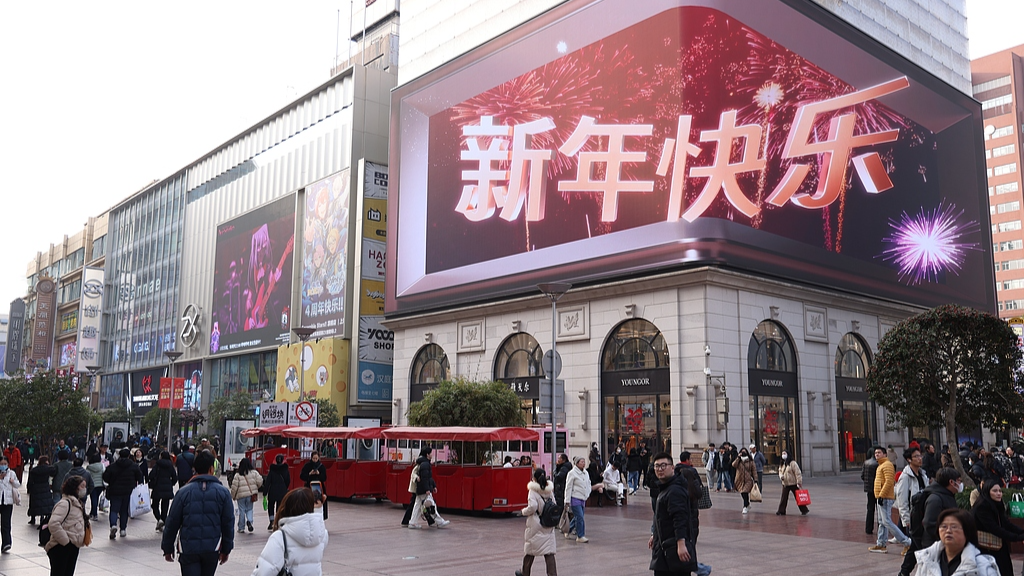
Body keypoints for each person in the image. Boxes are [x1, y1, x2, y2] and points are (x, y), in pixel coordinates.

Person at [162, 451, 235, 576]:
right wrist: (226, 548)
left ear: (194, 468)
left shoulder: (183, 492)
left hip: (188, 548)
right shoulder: (223, 493)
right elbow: (228, 523)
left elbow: (172, 522)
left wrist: (167, 547)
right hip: (212, 548)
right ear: (211, 469)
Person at [251, 488, 328, 576]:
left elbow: (264, 571)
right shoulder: (322, 535)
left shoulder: (280, 537)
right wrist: (319, 509)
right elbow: (313, 523)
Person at [912, 509, 999, 576]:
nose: (948, 531)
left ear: (968, 531)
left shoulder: (982, 566)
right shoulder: (927, 558)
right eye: (944, 526)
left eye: (954, 527)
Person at [648, 452, 694, 575]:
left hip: (672, 551)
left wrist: (681, 543)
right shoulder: (666, 488)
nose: (660, 469)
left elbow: (680, 518)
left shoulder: (674, 490)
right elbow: (662, 518)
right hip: (665, 548)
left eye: (664, 465)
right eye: (657, 466)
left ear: (672, 467)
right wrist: (655, 535)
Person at [971, 480, 1024, 576]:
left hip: (998, 545)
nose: (999, 493)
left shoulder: (997, 504)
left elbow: (1006, 523)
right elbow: (994, 529)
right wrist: (1018, 537)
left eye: (1000, 491)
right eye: (995, 491)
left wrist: (1021, 532)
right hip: (987, 548)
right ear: (987, 491)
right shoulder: (982, 506)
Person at [869, 445, 910, 554]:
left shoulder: (887, 465)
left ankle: (907, 542)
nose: (877, 454)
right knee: (882, 522)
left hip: (885, 498)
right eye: (875, 453)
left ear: (885, 454)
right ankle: (881, 544)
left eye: (879, 453)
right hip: (881, 497)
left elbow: (889, 481)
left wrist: (882, 495)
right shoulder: (881, 465)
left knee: (887, 521)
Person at [516, 468, 557, 576]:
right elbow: (554, 504)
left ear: (534, 478)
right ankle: (552, 574)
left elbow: (533, 507)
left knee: (530, 549)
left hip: (536, 523)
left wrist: (523, 512)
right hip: (548, 522)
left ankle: (525, 572)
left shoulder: (533, 490)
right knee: (549, 551)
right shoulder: (549, 490)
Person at [45, 476, 89, 576]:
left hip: (73, 545)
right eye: (82, 486)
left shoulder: (77, 503)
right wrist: (66, 541)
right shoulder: (65, 503)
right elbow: (53, 523)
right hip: (61, 546)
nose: (84, 489)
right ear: (74, 487)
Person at [896, 446, 929, 574]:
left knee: (915, 547)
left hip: (923, 516)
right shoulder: (905, 477)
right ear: (909, 459)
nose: (920, 459)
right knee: (920, 547)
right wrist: (906, 520)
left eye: (920, 456)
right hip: (913, 518)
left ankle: (904, 572)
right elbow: (902, 501)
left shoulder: (922, 474)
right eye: (916, 456)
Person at [917, 467, 963, 552]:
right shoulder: (935, 499)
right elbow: (929, 523)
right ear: (951, 482)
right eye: (959, 481)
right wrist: (944, 537)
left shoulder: (948, 495)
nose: (961, 484)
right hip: (933, 546)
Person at [101, 448, 144, 539]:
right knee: (124, 510)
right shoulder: (134, 466)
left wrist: (111, 482)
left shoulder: (113, 466)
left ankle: (113, 525)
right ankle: (123, 529)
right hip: (128, 491)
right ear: (129, 456)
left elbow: (105, 477)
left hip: (115, 491)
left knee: (114, 510)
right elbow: (139, 476)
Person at [408, 447, 450, 529]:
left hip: (420, 489)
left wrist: (433, 486)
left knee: (417, 506)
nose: (432, 454)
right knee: (432, 505)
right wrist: (427, 489)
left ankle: (412, 522)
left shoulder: (423, 463)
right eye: (431, 453)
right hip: (424, 489)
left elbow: (427, 477)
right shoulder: (425, 464)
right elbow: (425, 478)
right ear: (427, 455)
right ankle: (440, 522)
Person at [229, 458, 263, 534]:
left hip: (241, 495)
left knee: (242, 511)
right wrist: (256, 487)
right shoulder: (254, 472)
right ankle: (249, 521)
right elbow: (260, 481)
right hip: (251, 494)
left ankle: (241, 528)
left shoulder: (238, 475)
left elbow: (234, 487)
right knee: (249, 509)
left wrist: (233, 496)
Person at [563, 456, 591, 543]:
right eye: (581, 462)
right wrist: (567, 500)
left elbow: (588, 483)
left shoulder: (586, 472)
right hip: (575, 498)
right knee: (580, 517)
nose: (583, 463)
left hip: (583, 498)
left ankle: (567, 530)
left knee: (577, 517)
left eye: (584, 461)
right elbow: (568, 487)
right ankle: (580, 536)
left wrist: (588, 492)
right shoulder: (572, 473)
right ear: (577, 463)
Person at [150, 451, 178, 532]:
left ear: (161, 456)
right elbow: (175, 478)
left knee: (154, 505)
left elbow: (151, 475)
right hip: (167, 488)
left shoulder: (157, 465)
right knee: (165, 506)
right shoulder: (170, 466)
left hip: (157, 487)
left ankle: (159, 519)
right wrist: (170, 483)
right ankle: (163, 521)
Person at [776, 450, 808, 516]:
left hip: (793, 483)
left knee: (798, 497)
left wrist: (799, 482)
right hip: (785, 483)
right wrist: (781, 476)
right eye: (782, 454)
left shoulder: (793, 463)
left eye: (784, 453)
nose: (783, 455)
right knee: (784, 498)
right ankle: (781, 511)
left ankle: (804, 510)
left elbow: (798, 473)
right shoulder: (782, 463)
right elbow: (780, 471)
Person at [263, 454, 291, 530]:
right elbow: (288, 480)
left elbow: (268, 482)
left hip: (272, 491)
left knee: (271, 506)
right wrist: (285, 487)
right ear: (282, 460)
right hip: (282, 491)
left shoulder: (272, 470)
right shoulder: (285, 470)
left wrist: (265, 492)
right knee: (280, 507)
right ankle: (278, 521)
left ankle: (271, 521)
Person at [299, 452, 328, 520]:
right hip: (309, 486)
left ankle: (321, 516)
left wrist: (319, 474)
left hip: (319, 487)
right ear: (311, 458)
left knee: (320, 501)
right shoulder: (307, 466)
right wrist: (309, 474)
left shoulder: (321, 466)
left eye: (316, 458)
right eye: (313, 458)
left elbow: (324, 478)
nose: (315, 460)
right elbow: (302, 476)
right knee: (309, 502)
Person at [28, 456, 56, 527]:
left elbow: (30, 480)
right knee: (45, 503)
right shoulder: (48, 469)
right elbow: (54, 471)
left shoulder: (34, 470)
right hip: (45, 487)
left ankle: (33, 518)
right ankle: (42, 517)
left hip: (36, 487)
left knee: (34, 503)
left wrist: (29, 488)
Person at [0, 456, 20, 553]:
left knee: (6, 523)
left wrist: (13, 481)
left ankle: (6, 543)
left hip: (8, 502)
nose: (3, 466)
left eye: (5, 464)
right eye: (1, 464)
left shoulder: (11, 473)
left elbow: (17, 484)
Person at [732, 447, 757, 514]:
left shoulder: (750, 461)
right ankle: (747, 504)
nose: (743, 453)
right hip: (739, 479)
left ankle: (745, 506)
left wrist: (755, 479)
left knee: (744, 492)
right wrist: (738, 457)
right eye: (742, 452)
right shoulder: (738, 460)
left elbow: (754, 470)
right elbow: (733, 465)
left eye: (744, 452)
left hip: (748, 479)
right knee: (742, 493)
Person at [862, 450, 878, 535]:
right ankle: (880, 527)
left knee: (870, 509)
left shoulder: (866, 463)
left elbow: (862, 476)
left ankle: (868, 528)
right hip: (877, 489)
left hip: (869, 489)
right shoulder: (878, 464)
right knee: (880, 510)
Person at [85, 455, 105, 521]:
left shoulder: (89, 467)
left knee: (93, 499)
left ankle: (94, 514)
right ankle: (92, 513)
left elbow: (87, 476)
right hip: (100, 485)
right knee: (96, 499)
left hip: (92, 485)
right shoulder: (102, 466)